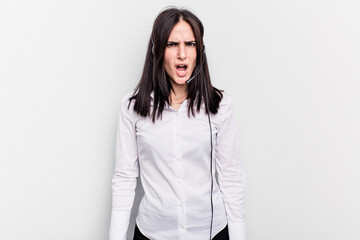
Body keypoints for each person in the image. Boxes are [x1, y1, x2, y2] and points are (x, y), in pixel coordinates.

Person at [109, 7, 246, 240]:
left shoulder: (221, 106)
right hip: (153, 233)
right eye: (172, 44)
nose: (182, 54)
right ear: (157, 51)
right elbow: (124, 178)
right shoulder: (132, 107)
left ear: (199, 52)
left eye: (190, 44)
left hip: (210, 233)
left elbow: (231, 177)